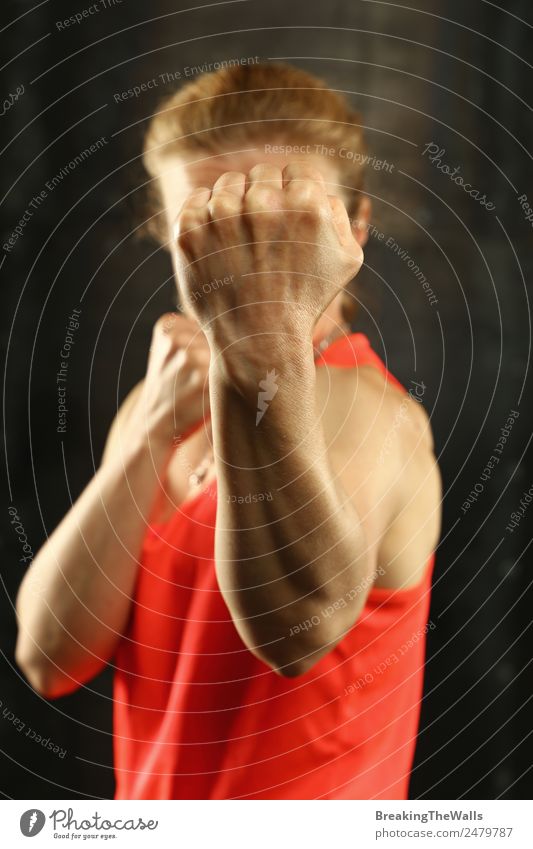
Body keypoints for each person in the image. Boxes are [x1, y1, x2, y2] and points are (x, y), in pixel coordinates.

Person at [15, 62, 441, 799]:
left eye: (282, 217)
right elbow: (47, 656)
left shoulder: (369, 413)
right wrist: (149, 430)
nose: (245, 249)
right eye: (209, 221)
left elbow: (296, 633)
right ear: (168, 235)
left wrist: (260, 341)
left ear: (355, 227)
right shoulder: (160, 408)